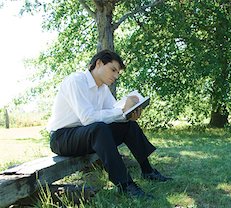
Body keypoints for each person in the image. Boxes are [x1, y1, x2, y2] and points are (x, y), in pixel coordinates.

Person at [47, 49, 171, 199]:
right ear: (98, 63)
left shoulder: (103, 89)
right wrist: (121, 112)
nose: (116, 76)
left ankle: (148, 170)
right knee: (99, 128)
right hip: (62, 138)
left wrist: (128, 114)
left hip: (87, 135)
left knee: (127, 125)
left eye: (118, 72)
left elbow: (114, 112)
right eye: (113, 70)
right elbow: (88, 118)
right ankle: (125, 185)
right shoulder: (76, 81)